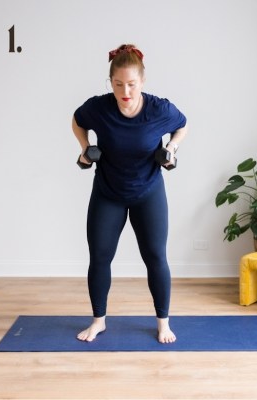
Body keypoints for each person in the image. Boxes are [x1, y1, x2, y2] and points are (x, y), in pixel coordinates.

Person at [72, 44, 188, 344]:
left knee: (155, 257)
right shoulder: (99, 107)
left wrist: (171, 150)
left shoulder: (159, 109)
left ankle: (163, 323)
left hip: (148, 192)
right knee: (99, 257)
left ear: (143, 82)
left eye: (132, 85)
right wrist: (84, 150)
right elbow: (77, 120)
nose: (125, 91)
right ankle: (99, 321)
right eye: (119, 84)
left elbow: (182, 126)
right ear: (110, 82)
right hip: (108, 193)